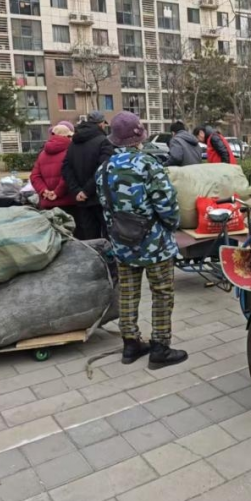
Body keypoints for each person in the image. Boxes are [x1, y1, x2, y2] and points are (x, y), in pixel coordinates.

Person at [96, 111, 188, 369]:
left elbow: (105, 206)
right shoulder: (149, 165)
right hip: (155, 244)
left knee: (128, 293)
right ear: (139, 137)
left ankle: (130, 344)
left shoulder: (104, 168)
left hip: (122, 242)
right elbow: (167, 205)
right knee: (162, 293)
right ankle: (160, 348)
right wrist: (172, 226)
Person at [62, 111, 114, 240]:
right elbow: (103, 169)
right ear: (101, 124)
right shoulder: (104, 141)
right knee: (108, 237)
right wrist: (86, 191)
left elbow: (66, 168)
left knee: (90, 238)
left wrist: (77, 191)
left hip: (81, 200)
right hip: (99, 198)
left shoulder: (74, 142)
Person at [30, 125, 77, 219]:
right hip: (68, 202)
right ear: (66, 136)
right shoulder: (71, 151)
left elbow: (34, 176)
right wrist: (57, 192)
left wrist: (44, 191)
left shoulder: (42, 154)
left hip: (47, 204)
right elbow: (69, 175)